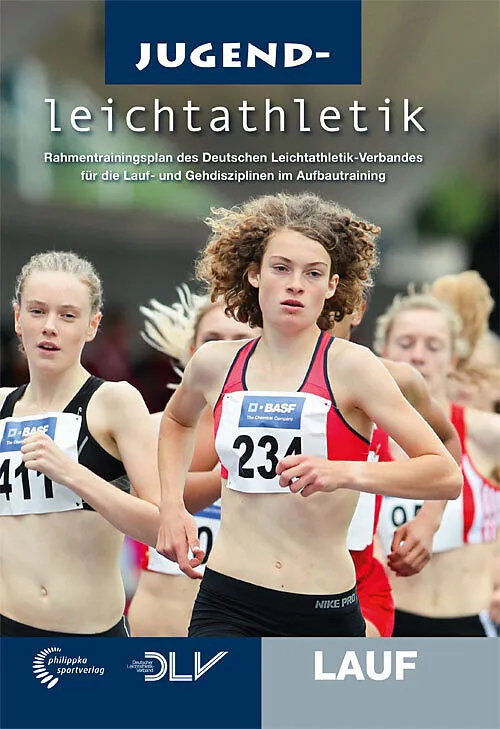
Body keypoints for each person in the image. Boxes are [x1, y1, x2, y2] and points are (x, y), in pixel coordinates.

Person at [156, 192, 462, 638]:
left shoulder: (354, 368)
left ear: (333, 286)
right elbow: (176, 421)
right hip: (228, 602)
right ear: (255, 274)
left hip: (322, 607)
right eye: (281, 268)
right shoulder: (214, 362)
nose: (295, 284)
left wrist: (342, 472)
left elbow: (445, 474)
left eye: (313, 273)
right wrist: (171, 507)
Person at [0, 251, 162, 637]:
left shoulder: (115, 402)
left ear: (92, 326)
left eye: (67, 315)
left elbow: (160, 528)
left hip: (89, 638)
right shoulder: (2, 406)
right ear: (18, 318)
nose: (49, 327)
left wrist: (72, 474)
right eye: (37, 311)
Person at [128, 287, 256, 636]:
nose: (223, 353)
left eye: (240, 340)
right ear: (191, 353)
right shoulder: (151, 429)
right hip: (157, 629)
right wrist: (228, 475)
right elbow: (150, 502)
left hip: (244, 631)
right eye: (212, 340)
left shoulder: (291, 431)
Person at [374, 279, 500, 636]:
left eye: (433, 346)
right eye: (406, 343)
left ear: (453, 360)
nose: (418, 356)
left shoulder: (483, 433)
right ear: (383, 350)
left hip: (467, 625)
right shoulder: (359, 434)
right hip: (381, 622)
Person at [332, 307, 460, 638]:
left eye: (336, 306)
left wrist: (429, 520)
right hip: (267, 584)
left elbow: (447, 441)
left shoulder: (394, 379)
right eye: (406, 342)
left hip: (358, 587)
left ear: (356, 310)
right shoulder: (257, 378)